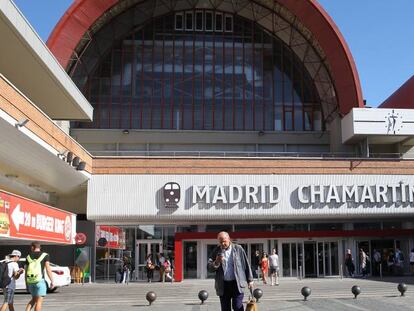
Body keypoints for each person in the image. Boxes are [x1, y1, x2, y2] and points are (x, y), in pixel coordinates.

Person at [207, 232, 253, 311]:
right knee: (225, 308)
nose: (223, 243)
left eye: (224, 241)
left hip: (237, 283)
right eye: (220, 242)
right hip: (223, 285)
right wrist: (216, 262)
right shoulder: (216, 251)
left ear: (229, 239)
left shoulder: (238, 249)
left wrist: (250, 280)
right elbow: (209, 268)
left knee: (237, 306)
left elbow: (245, 263)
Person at [25, 241, 54, 311]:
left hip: (30, 281)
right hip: (40, 280)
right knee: (39, 301)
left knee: (33, 299)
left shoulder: (28, 256)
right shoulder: (45, 255)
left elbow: (26, 271)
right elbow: (48, 268)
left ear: (32, 247)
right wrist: (52, 280)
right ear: (39, 247)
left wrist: (26, 283)